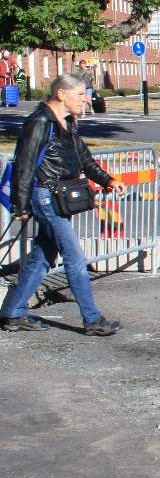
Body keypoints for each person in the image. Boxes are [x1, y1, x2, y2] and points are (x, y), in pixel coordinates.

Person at [2, 73, 125, 335]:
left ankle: (13, 313)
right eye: (80, 94)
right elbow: (24, 165)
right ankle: (92, 320)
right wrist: (21, 206)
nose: (86, 99)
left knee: (42, 257)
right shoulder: (39, 121)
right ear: (61, 95)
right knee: (74, 257)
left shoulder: (68, 122)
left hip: (60, 198)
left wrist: (108, 180)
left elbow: (84, 158)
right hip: (45, 197)